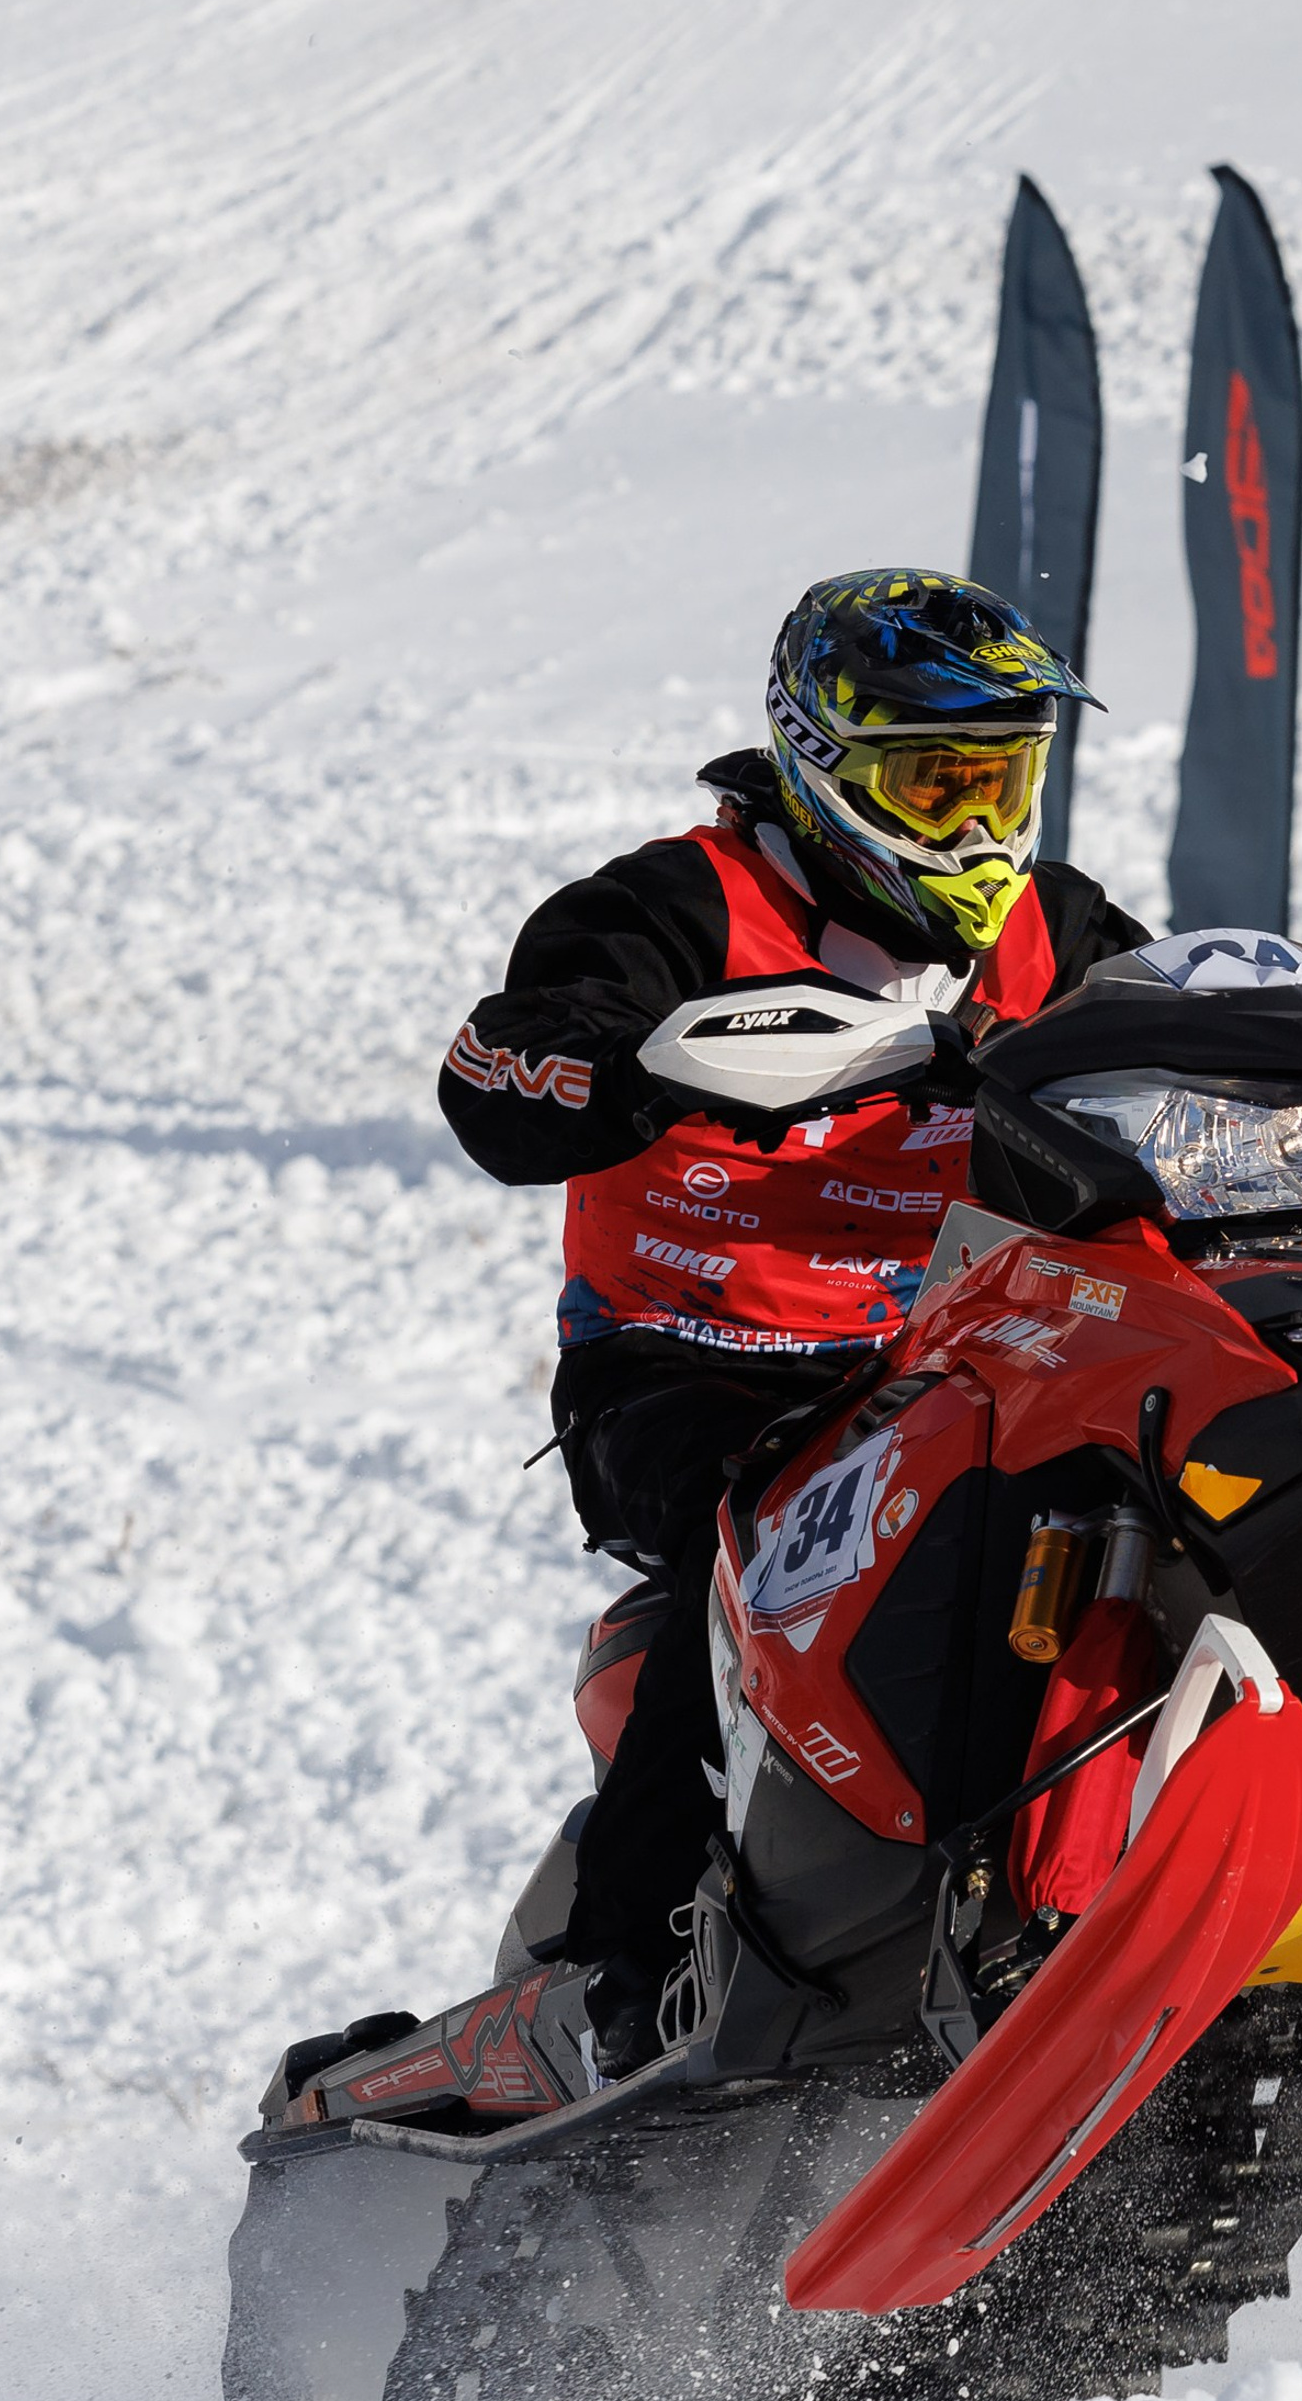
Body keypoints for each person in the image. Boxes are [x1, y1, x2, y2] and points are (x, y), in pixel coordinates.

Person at [438, 569, 1150, 2073]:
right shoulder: (673, 908)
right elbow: (506, 1075)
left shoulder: (1056, 926)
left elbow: (1172, 1036)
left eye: (1000, 778)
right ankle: (619, 1974)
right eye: (932, 781)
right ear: (824, 763)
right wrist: (625, 1066)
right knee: (772, 1518)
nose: (973, 827)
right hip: (693, 1370)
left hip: (962, 1357)